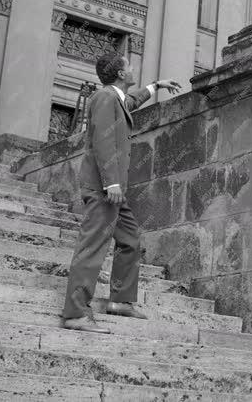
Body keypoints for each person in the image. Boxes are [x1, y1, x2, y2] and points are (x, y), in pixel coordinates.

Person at [61, 52, 181, 333]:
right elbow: (103, 140)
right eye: (129, 66)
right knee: (92, 247)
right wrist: (111, 182)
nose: (133, 68)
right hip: (105, 188)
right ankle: (75, 313)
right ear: (120, 74)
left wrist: (156, 86)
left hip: (114, 189)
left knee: (130, 239)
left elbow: (131, 102)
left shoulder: (115, 98)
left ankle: (121, 300)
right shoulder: (104, 98)